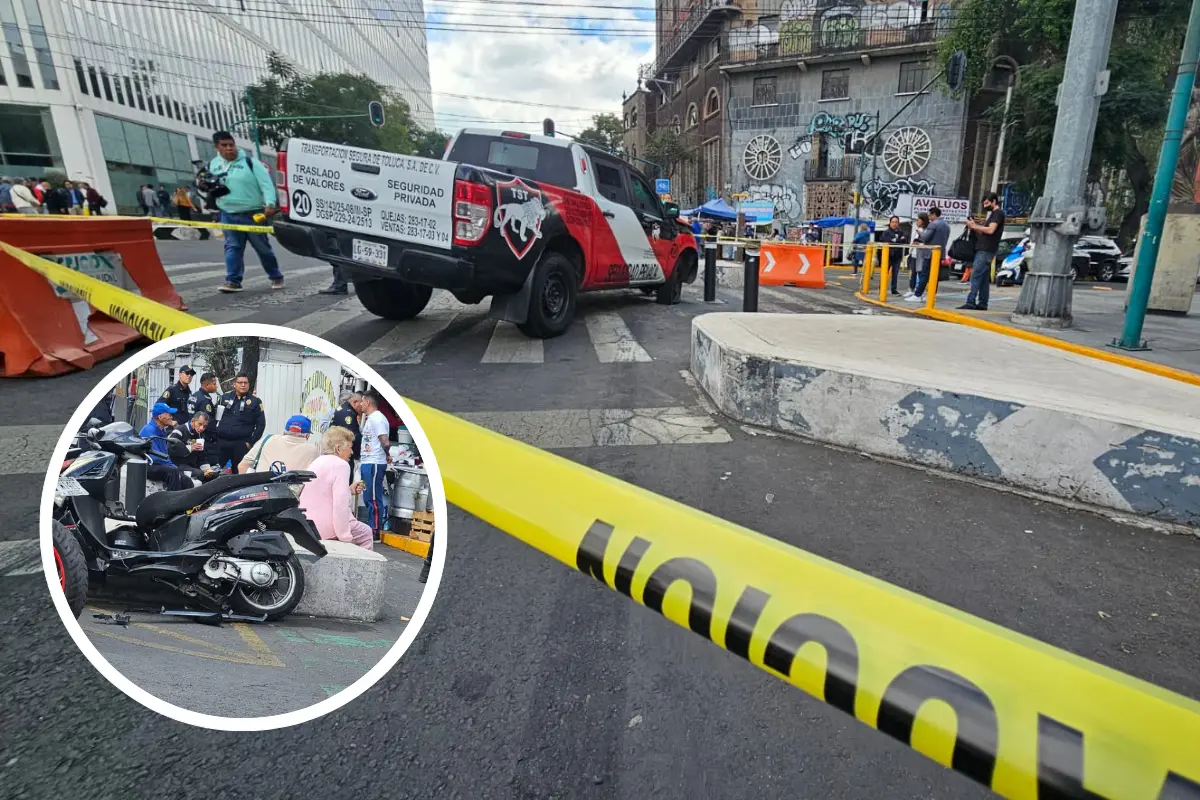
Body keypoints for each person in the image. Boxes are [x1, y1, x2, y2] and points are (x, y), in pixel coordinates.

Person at [207, 130, 285, 294]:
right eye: (224, 145)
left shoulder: (250, 162)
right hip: (228, 213)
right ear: (216, 147)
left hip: (253, 214)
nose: (229, 148)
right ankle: (233, 281)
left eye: (231, 145)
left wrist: (270, 203)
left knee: (262, 248)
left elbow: (266, 184)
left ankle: (275, 275)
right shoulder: (213, 165)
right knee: (232, 247)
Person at [300, 427, 373, 550]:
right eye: (349, 447)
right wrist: (344, 535)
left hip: (308, 524)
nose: (351, 452)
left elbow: (324, 494)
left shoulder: (317, 462)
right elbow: (340, 503)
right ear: (338, 448)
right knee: (366, 533)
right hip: (327, 527)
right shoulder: (341, 465)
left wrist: (349, 490)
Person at [961, 192, 1005, 311]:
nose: (985, 206)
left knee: (975, 276)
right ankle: (982, 303)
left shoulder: (997, 214)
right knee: (984, 279)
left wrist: (974, 227)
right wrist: (974, 225)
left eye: (986, 203)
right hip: (986, 249)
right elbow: (985, 232)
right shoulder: (993, 215)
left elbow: (990, 230)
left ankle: (971, 301)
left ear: (994, 201)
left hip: (985, 250)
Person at [214, 372, 266, 471]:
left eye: (245, 383)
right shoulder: (225, 397)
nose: (243, 385)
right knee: (215, 471)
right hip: (222, 442)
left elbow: (261, 424)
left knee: (238, 473)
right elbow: (215, 416)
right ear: (234, 384)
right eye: (240, 382)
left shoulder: (255, 401)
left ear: (249, 385)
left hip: (241, 444)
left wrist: (250, 442)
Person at [138, 403, 195, 491]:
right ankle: (172, 501)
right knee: (173, 471)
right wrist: (172, 466)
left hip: (159, 464)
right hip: (148, 465)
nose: (171, 417)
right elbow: (156, 457)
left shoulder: (161, 430)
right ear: (160, 417)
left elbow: (164, 454)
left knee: (186, 480)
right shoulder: (149, 430)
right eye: (168, 414)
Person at [359, 389, 392, 539]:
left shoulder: (377, 419)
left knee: (372, 497)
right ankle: (371, 526)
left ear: (368, 402)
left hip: (374, 462)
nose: (360, 404)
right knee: (367, 496)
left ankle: (374, 528)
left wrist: (387, 454)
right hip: (368, 461)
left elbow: (384, 440)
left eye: (362, 401)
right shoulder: (371, 419)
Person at [239, 415, 321, 474]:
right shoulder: (313, 450)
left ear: (284, 431)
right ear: (307, 436)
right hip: (294, 495)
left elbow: (242, 466)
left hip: (262, 492)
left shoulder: (267, 440)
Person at [167, 412, 220, 482]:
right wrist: (190, 448)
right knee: (199, 474)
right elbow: (170, 450)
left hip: (193, 465)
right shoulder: (179, 431)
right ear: (192, 421)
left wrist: (207, 469)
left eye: (204, 426)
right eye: (200, 424)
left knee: (213, 475)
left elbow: (202, 457)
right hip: (178, 465)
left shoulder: (199, 435)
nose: (202, 428)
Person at [327, 391, 363, 480]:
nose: (362, 408)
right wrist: (358, 455)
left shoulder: (344, 409)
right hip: (341, 455)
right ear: (355, 402)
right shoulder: (348, 415)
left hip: (336, 453)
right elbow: (354, 438)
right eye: (361, 404)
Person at [187, 371, 220, 455]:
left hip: (192, 432)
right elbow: (208, 422)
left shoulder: (194, 395)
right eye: (214, 384)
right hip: (203, 436)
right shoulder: (205, 400)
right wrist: (215, 437)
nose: (216, 386)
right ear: (207, 385)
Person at [905, 213, 932, 302]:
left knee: (921, 274)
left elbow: (926, 242)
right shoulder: (915, 230)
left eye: (918, 220)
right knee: (913, 273)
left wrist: (919, 243)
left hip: (922, 254)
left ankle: (920, 292)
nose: (917, 221)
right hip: (914, 253)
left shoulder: (926, 230)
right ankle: (911, 289)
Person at [879, 215, 907, 296]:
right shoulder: (886, 232)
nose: (894, 224)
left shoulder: (901, 232)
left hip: (897, 256)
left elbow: (904, 240)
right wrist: (898, 240)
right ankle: (882, 288)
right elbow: (887, 241)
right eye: (893, 222)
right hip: (888, 256)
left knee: (895, 273)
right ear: (890, 223)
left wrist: (896, 240)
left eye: (896, 222)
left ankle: (894, 289)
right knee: (885, 273)